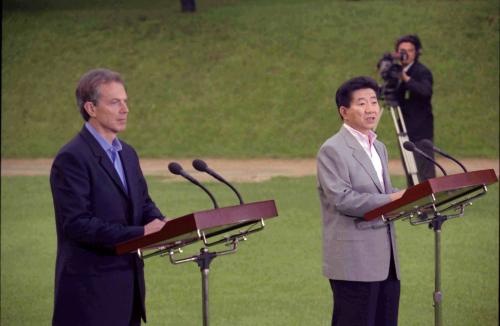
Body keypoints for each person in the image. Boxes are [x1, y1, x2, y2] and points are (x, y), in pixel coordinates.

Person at [50, 68, 167, 325]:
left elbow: (143, 203)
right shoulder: (72, 158)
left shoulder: (128, 153)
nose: (125, 109)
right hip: (90, 294)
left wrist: (164, 226)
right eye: (115, 102)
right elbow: (78, 224)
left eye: (125, 101)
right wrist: (140, 234)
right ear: (91, 108)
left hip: (129, 291)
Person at [317, 76, 405, 326]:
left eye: (374, 102)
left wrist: (410, 198)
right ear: (344, 112)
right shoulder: (332, 149)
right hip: (354, 260)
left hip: (387, 261)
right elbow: (342, 199)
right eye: (362, 103)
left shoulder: (379, 147)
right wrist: (391, 198)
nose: (371, 109)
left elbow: (384, 190)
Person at [395, 34, 436, 182]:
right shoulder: (396, 72)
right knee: (411, 176)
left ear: (416, 53)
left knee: (425, 176)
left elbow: (425, 91)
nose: (405, 54)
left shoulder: (422, 72)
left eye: (409, 50)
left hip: (421, 133)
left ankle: (429, 205)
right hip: (404, 132)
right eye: (401, 50)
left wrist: (406, 79)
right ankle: (415, 205)